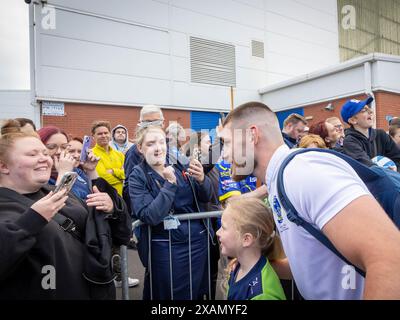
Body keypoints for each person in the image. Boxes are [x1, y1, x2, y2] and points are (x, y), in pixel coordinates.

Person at [219, 101, 400, 299]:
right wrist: (255, 265)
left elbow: (390, 259)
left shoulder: (302, 172)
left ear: (252, 135)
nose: (224, 155)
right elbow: (318, 264)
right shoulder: (282, 178)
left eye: (227, 143)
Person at [0, 131, 131, 299]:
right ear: (3, 166)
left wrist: (110, 207)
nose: (44, 159)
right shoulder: (5, 206)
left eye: (44, 153)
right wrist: (33, 219)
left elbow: (115, 232)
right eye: (32, 154)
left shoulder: (55, 192)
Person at [129, 125, 213, 300]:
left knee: (196, 291)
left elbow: (206, 196)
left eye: (161, 142)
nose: (158, 148)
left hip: (197, 240)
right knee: (169, 293)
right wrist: (169, 184)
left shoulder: (180, 162)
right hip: (165, 245)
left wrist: (202, 179)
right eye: (151, 143)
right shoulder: (137, 176)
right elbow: (149, 215)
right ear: (140, 148)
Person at [217, 198, 286, 300]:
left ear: (246, 239)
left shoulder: (262, 295)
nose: (218, 232)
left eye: (223, 228)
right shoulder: (238, 266)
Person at [341, 97, 400, 171]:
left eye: (369, 108)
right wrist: (386, 171)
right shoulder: (350, 142)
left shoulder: (381, 134)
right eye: (363, 110)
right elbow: (367, 167)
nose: (370, 111)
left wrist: (396, 168)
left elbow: (397, 158)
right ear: (353, 120)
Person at [38, 126, 96, 200]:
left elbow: (96, 192)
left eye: (64, 147)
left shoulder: (76, 171)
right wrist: (64, 174)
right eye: (51, 147)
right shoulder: (39, 177)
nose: (59, 152)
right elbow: (59, 205)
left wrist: (91, 170)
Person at [91, 121, 125, 196]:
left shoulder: (119, 155)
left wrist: (113, 171)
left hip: (122, 198)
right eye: (100, 134)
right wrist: (121, 179)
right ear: (93, 136)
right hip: (104, 197)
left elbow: (127, 174)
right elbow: (102, 178)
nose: (103, 136)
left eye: (106, 133)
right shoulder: (92, 154)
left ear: (110, 134)